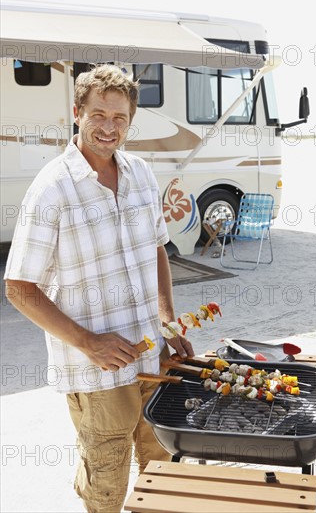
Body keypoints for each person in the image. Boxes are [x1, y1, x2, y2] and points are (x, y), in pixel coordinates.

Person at [4, 63, 194, 513]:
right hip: (97, 373)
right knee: (106, 485)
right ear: (77, 112)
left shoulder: (142, 174)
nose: (109, 127)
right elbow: (18, 286)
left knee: (163, 470)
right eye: (99, 115)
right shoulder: (51, 189)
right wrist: (89, 342)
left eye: (120, 118)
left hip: (154, 355)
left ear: (131, 121)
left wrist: (168, 322)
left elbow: (157, 250)